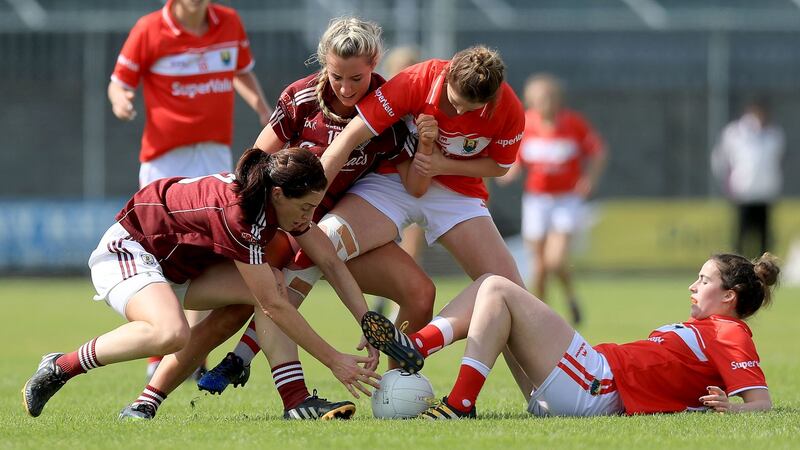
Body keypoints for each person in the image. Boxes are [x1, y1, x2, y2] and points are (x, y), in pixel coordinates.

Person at [127, 17, 434, 417]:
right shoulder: (302, 98)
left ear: (375, 62)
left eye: (356, 78)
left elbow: (413, 184)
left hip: (339, 225)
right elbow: (253, 163)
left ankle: (391, 394)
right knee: (236, 311)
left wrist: (425, 146)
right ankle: (153, 399)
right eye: (336, 76)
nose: (345, 89)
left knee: (420, 294)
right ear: (323, 62)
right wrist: (261, 219)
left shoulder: (389, 110)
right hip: (282, 224)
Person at [21, 148, 381, 420]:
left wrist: (367, 321)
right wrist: (335, 361)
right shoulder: (240, 214)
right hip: (128, 251)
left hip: (177, 267)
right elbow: (274, 307)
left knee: (267, 287)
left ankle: (295, 402)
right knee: (171, 332)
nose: (308, 218)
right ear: (278, 194)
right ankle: (61, 366)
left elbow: (330, 261)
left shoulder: (274, 202)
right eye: (305, 208)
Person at [361, 252, 779, 419]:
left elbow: (760, 403)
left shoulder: (729, 331)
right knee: (495, 292)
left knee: (498, 285)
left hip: (595, 386)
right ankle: (420, 349)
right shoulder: (707, 328)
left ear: (728, 295)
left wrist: (732, 409)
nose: (692, 286)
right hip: (584, 385)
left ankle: (456, 397)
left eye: (703, 280)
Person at [107, 0, 272, 379]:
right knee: (161, 252)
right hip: (164, 160)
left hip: (213, 152)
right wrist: (121, 100)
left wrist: (263, 108)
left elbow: (241, 71)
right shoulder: (149, 28)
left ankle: (189, 354)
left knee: (210, 253)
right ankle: (157, 352)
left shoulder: (228, 21)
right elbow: (120, 81)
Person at [497, 73, 607, 325]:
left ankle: (570, 297)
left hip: (566, 200)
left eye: (548, 97)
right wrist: (508, 171)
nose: (542, 102)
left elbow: (598, 151)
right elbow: (516, 158)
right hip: (537, 201)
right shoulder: (525, 123)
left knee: (555, 259)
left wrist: (589, 178)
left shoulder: (573, 123)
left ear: (558, 99)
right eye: (537, 98)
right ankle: (541, 316)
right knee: (540, 266)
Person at [371, 45, 422, 319]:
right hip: (385, 187)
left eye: (412, 69)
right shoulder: (380, 104)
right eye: (400, 71)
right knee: (385, 248)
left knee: (411, 249)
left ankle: (394, 311)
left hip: (415, 187)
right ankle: (383, 297)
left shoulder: (427, 106)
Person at [711, 97, 785, 258]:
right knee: (741, 234)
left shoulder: (774, 134)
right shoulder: (735, 133)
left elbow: (777, 161)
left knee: (764, 236)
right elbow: (720, 159)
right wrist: (727, 182)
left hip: (765, 193)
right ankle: (738, 269)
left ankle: (762, 271)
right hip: (743, 192)